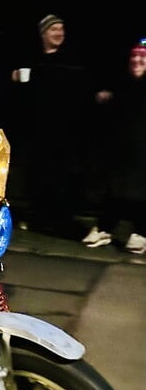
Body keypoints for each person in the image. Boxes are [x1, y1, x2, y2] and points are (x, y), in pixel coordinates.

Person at [11, 14, 108, 238]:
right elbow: (26, 97)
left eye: (61, 29)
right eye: (54, 29)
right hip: (38, 131)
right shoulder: (34, 60)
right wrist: (16, 79)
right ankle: (39, 217)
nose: (59, 33)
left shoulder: (71, 60)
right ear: (43, 34)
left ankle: (60, 219)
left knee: (61, 176)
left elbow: (83, 89)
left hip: (65, 131)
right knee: (38, 174)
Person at [81, 43, 146, 253]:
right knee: (114, 189)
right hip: (122, 150)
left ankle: (141, 233)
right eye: (134, 59)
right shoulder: (123, 85)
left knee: (141, 192)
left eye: (142, 59)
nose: (137, 62)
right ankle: (104, 228)